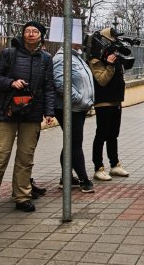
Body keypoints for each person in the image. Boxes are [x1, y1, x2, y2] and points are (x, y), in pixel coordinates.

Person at [0, 21, 55, 216]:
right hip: (6, 113)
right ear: (22, 34)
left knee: (25, 159)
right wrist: (11, 83)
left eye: (35, 31)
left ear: (41, 36)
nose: (30, 34)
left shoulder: (45, 58)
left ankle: (22, 197)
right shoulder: (8, 54)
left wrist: (49, 112)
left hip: (32, 114)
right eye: (27, 30)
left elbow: (48, 87)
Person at [53, 39, 96, 193]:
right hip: (69, 108)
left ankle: (66, 178)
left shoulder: (76, 57)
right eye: (78, 39)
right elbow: (61, 83)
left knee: (71, 142)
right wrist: (79, 98)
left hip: (79, 107)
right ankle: (84, 179)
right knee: (75, 143)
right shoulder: (61, 58)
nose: (82, 42)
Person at [89, 27, 129, 181]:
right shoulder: (95, 60)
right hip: (103, 102)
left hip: (116, 100)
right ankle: (98, 167)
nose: (115, 41)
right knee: (102, 134)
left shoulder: (113, 56)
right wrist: (110, 65)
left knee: (114, 134)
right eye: (113, 38)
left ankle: (115, 165)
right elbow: (102, 80)